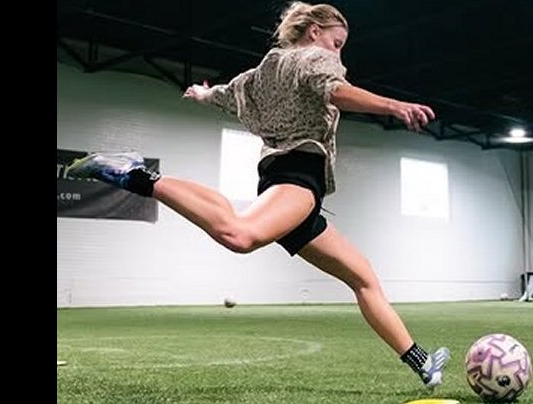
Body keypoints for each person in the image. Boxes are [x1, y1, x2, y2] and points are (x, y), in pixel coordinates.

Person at [67, 1, 449, 388]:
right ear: (314, 32)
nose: (338, 54)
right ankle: (136, 176)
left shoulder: (261, 73)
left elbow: (227, 94)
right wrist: (393, 106)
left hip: (290, 187)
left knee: (363, 279)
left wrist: (202, 94)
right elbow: (334, 90)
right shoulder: (313, 59)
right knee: (240, 234)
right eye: (337, 44)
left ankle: (422, 362)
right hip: (298, 177)